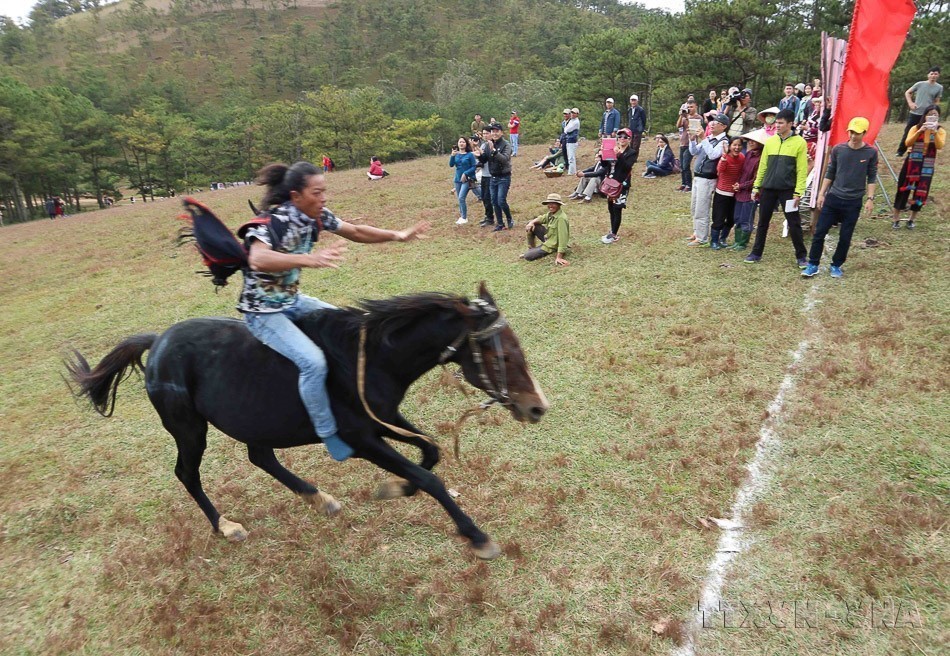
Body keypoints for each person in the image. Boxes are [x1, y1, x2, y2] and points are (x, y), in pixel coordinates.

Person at [240, 161, 430, 461]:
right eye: (316, 193)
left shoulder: (316, 216)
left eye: (324, 191)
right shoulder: (273, 222)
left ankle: (352, 399)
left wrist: (398, 235)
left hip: (293, 301)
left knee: (354, 328)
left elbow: (355, 231)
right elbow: (258, 259)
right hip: (263, 312)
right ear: (296, 195)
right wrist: (309, 259)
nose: (323, 198)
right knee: (313, 363)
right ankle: (328, 431)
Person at [802, 117, 878, 279]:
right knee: (820, 231)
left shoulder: (870, 152)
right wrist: (821, 194)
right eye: (851, 132)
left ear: (864, 133)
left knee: (845, 236)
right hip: (834, 197)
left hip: (854, 201)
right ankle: (813, 264)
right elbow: (830, 172)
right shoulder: (838, 149)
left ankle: (836, 265)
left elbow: (871, 176)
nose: (853, 136)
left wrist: (870, 199)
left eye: (857, 133)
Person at [744, 109, 809, 266]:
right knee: (762, 222)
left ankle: (801, 256)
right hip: (768, 189)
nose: (777, 126)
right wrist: (756, 186)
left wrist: (798, 192)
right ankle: (756, 253)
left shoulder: (800, 142)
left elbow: (802, 170)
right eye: (776, 123)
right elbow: (763, 166)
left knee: (794, 222)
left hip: (788, 190)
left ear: (790, 124)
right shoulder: (770, 141)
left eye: (781, 123)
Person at [578, 127, 638, 244]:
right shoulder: (612, 149)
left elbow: (627, 167)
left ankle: (614, 234)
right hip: (610, 183)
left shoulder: (631, 152)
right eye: (620, 136)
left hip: (621, 184)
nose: (622, 139)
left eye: (625, 137)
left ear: (629, 139)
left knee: (617, 208)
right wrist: (603, 155)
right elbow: (605, 166)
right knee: (611, 208)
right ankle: (612, 230)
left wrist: (619, 155)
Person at [892, 105, 945, 229]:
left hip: (927, 163)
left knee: (921, 191)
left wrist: (934, 132)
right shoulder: (915, 127)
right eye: (930, 114)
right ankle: (896, 218)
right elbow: (908, 142)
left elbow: (939, 146)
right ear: (924, 115)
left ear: (938, 116)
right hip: (912, 161)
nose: (932, 116)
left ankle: (911, 219)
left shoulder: (940, 131)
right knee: (903, 187)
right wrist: (920, 131)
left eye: (935, 114)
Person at [687, 114, 729, 246]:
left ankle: (702, 237)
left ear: (723, 126)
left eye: (716, 122)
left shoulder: (723, 141)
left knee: (702, 208)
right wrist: (692, 140)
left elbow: (713, 155)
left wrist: (703, 138)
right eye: (712, 122)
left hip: (707, 179)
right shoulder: (709, 138)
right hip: (698, 176)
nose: (712, 124)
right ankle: (696, 231)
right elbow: (694, 152)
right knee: (694, 206)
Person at [731, 128, 767, 251]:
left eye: (754, 141)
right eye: (750, 140)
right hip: (740, 192)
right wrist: (738, 184)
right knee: (737, 217)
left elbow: (757, 179)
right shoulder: (749, 154)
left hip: (751, 193)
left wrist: (741, 186)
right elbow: (742, 171)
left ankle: (743, 243)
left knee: (746, 219)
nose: (751, 142)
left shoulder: (762, 158)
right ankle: (737, 241)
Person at [897, 67, 943, 157]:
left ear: (938, 75)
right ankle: (900, 151)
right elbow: (907, 92)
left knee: (926, 133)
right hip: (916, 112)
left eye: (936, 74)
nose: (933, 76)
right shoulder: (920, 84)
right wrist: (911, 103)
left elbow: (937, 101)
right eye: (932, 73)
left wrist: (934, 112)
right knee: (908, 131)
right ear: (928, 75)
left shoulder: (939, 87)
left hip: (927, 115)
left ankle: (922, 151)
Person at [709, 137, 744, 249]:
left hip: (735, 193)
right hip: (722, 193)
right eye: (734, 145)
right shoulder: (725, 158)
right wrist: (724, 156)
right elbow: (720, 170)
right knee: (718, 219)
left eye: (739, 145)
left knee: (731, 219)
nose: (737, 147)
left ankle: (722, 238)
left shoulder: (742, 157)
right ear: (729, 146)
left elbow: (742, 172)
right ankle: (714, 241)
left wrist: (739, 184)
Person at [521, 193, 570, 266]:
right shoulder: (551, 213)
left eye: (553, 203)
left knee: (528, 256)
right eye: (549, 203)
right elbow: (542, 218)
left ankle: (532, 252)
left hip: (553, 244)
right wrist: (531, 223)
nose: (550, 206)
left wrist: (559, 257)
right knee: (531, 224)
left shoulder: (561, 219)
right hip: (549, 238)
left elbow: (563, 238)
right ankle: (532, 249)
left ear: (559, 205)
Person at [486, 123, 514, 231]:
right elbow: (485, 158)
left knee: (501, 200)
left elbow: (505, 159)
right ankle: (500, 223)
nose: (494, 133)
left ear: (501, 132)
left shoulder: (506, 145)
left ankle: (509, 218)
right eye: (492, 131)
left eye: (497, 131)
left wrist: (494, 151)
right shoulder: (489, 144)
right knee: (494, 201)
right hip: (493, 177)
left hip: (504, 176)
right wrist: (478, 153)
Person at [676, 99, 704, 192]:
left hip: (691, 144)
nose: (689, 109)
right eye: (688, 107)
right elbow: (678, 125)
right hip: (683, 143)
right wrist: (681, 115)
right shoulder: (685, 116)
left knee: (686, 165)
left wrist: (687, 118)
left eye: (691, 107)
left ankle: (689, 185)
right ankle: (683, 183)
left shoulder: (698, 117)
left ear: (696, 107)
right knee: (682, 165)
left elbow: (693, 128)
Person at [449, 136, 478, 225]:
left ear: (466, 144)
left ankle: (464, 217)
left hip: (467, 179)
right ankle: (462, 216)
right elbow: (451, 165)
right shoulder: (456, 154)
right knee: (460, 199)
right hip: (457, 179)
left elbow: (474, 167)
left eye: (463, 142)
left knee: (461, 197)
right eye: (460, 142)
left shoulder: (470, 155)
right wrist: (452, 156)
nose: (461, 144)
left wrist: (466, 173)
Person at [477, 127, 495, 227]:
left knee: (488, 198)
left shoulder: (491, 145)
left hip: (490, 175)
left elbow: (486, 158)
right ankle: (488, 216)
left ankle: (490, 218)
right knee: (484, 197)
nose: (485, 135)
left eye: (487, 133)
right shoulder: (483, 145)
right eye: (483, 133)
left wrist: (480, 155)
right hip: (484, 174)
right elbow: (482, 159)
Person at [626, 95, 647, 161]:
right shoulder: (629, 110)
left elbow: (644, 120)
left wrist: (642, 128)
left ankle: (634, 158)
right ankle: (630, 157)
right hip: (631, 129)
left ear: (637, 101)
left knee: (636, 145)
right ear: (630, 101)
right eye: (632, 100)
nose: (633, 102)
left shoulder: (641, 110)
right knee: (631, 144)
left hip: (638, 129)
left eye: (634, 100)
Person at [564, 108, 580, 175]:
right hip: (569, 140)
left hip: (572, 141)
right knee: (570, 156)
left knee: (571, 157)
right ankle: (572, 171)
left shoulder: (576, 122)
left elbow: (568, 130)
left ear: (577, 114)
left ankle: (572, 172)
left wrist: (566, 129)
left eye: (574, 113)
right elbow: (566, 129)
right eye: (572, 113)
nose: (572, 114)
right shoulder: (571, 120)